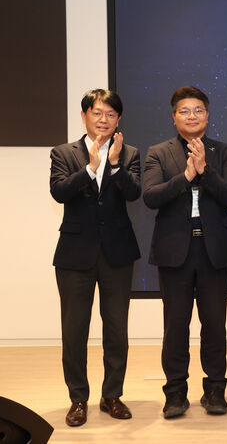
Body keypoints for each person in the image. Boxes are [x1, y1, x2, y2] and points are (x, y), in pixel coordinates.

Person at [142, 86, 227, 418]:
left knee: (214, 324)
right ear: (174, 117)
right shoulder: (159, 152)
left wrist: (205, 170)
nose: (192, 116)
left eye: (198, 110)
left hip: (214, 250)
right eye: (184, 111)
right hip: (174, 250)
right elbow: (151, 196)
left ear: (207, 116)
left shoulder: (224, 151)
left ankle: (215, 390)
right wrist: (186, 175)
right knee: (176, 325)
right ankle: (175, 393)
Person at [50, 89, 140, 427]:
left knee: (116, 328)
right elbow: (59, 191)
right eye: (97, 113)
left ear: (118, 120)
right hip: (75, 253)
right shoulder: (64, 152)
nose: (103, 120)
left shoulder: (129, 153)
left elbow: (134, 193)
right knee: (74, 330)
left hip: (117, 252)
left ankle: (112, 395)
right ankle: (78, 399)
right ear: (84, 115)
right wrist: (90, 168)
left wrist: (114, 165)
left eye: (110, 115)